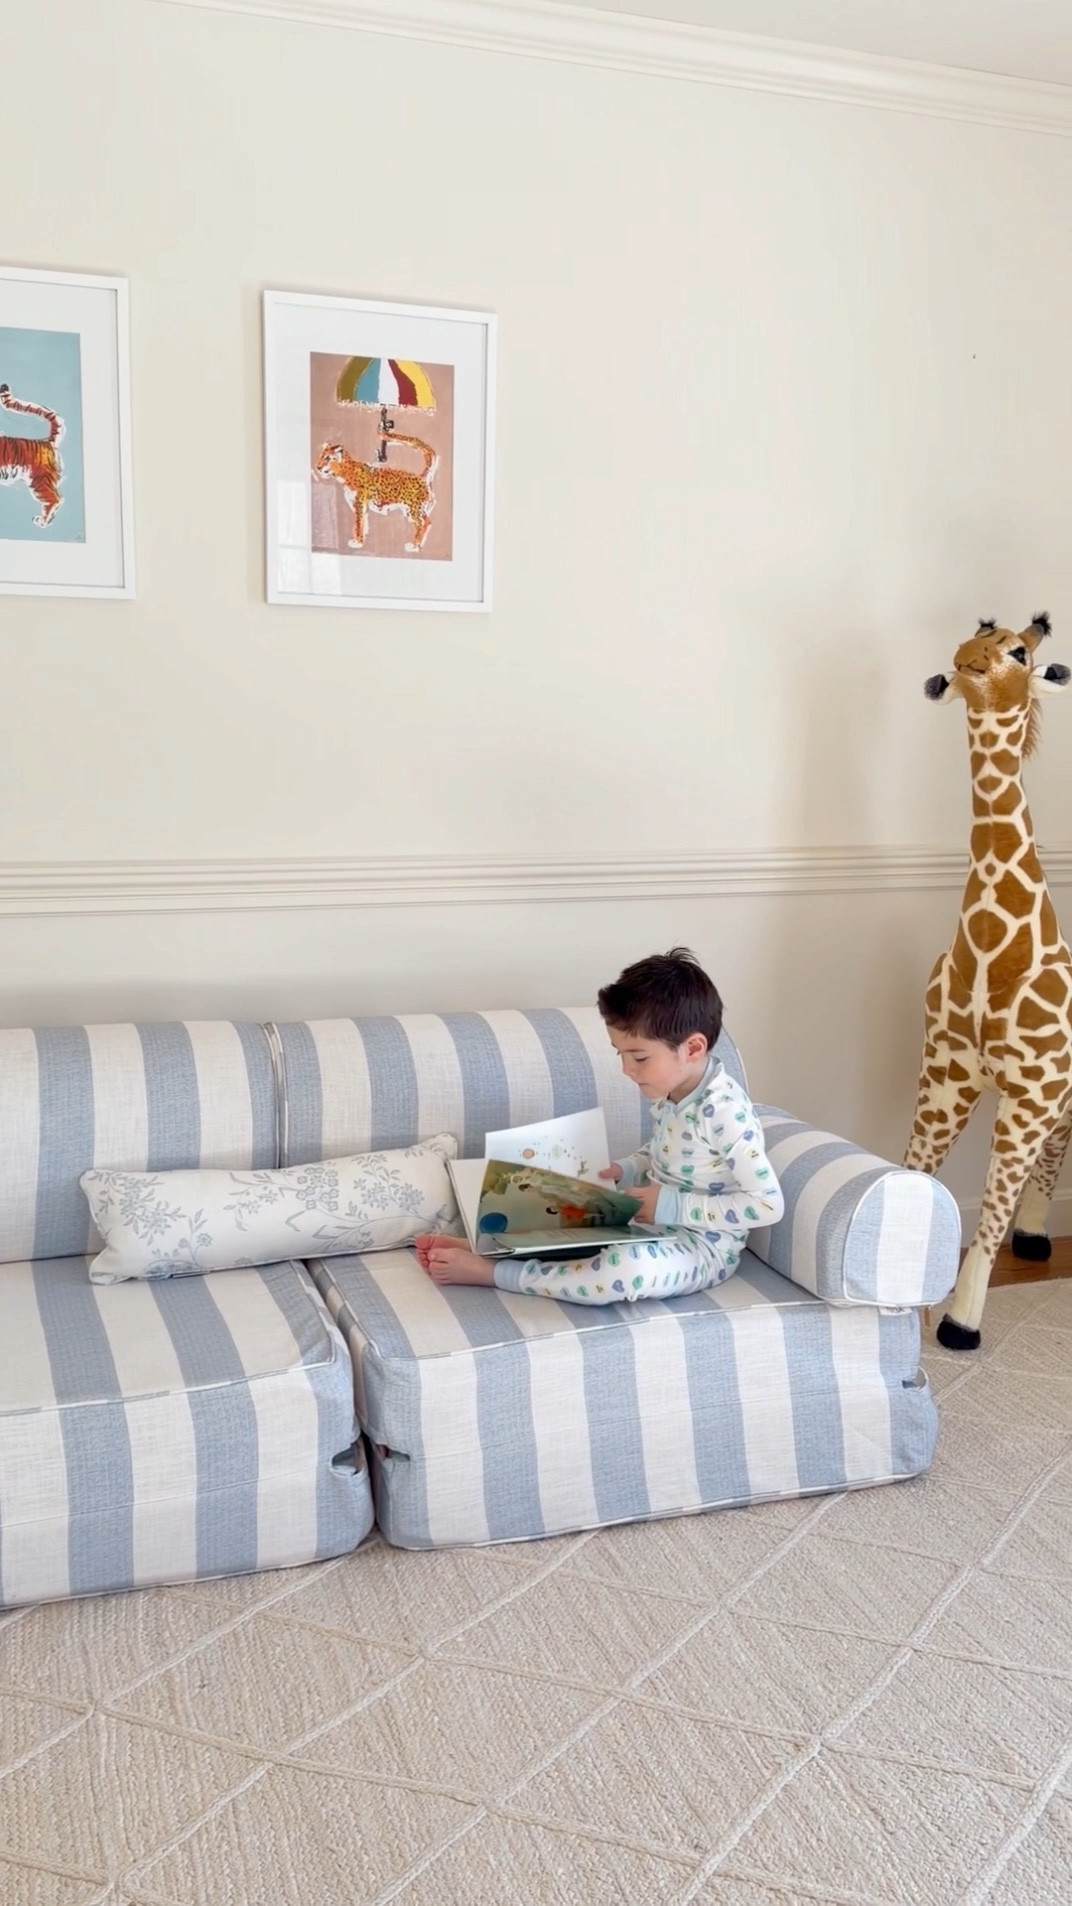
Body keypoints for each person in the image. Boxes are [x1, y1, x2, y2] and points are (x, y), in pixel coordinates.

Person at [416, 948, 784, 1305]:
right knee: (558, 1203)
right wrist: (625, 1168)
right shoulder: (672, 1092)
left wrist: (672, 1206)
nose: (626, 1069)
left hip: (701, 1249)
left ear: (692, 1048)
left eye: (639, 1056)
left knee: (623, 1269)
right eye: (619, 1053)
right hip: (648, 1226)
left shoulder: (724, 1113)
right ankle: (496, 1248)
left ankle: (499, 1273)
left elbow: (767, 1205)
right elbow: (664, 1150)